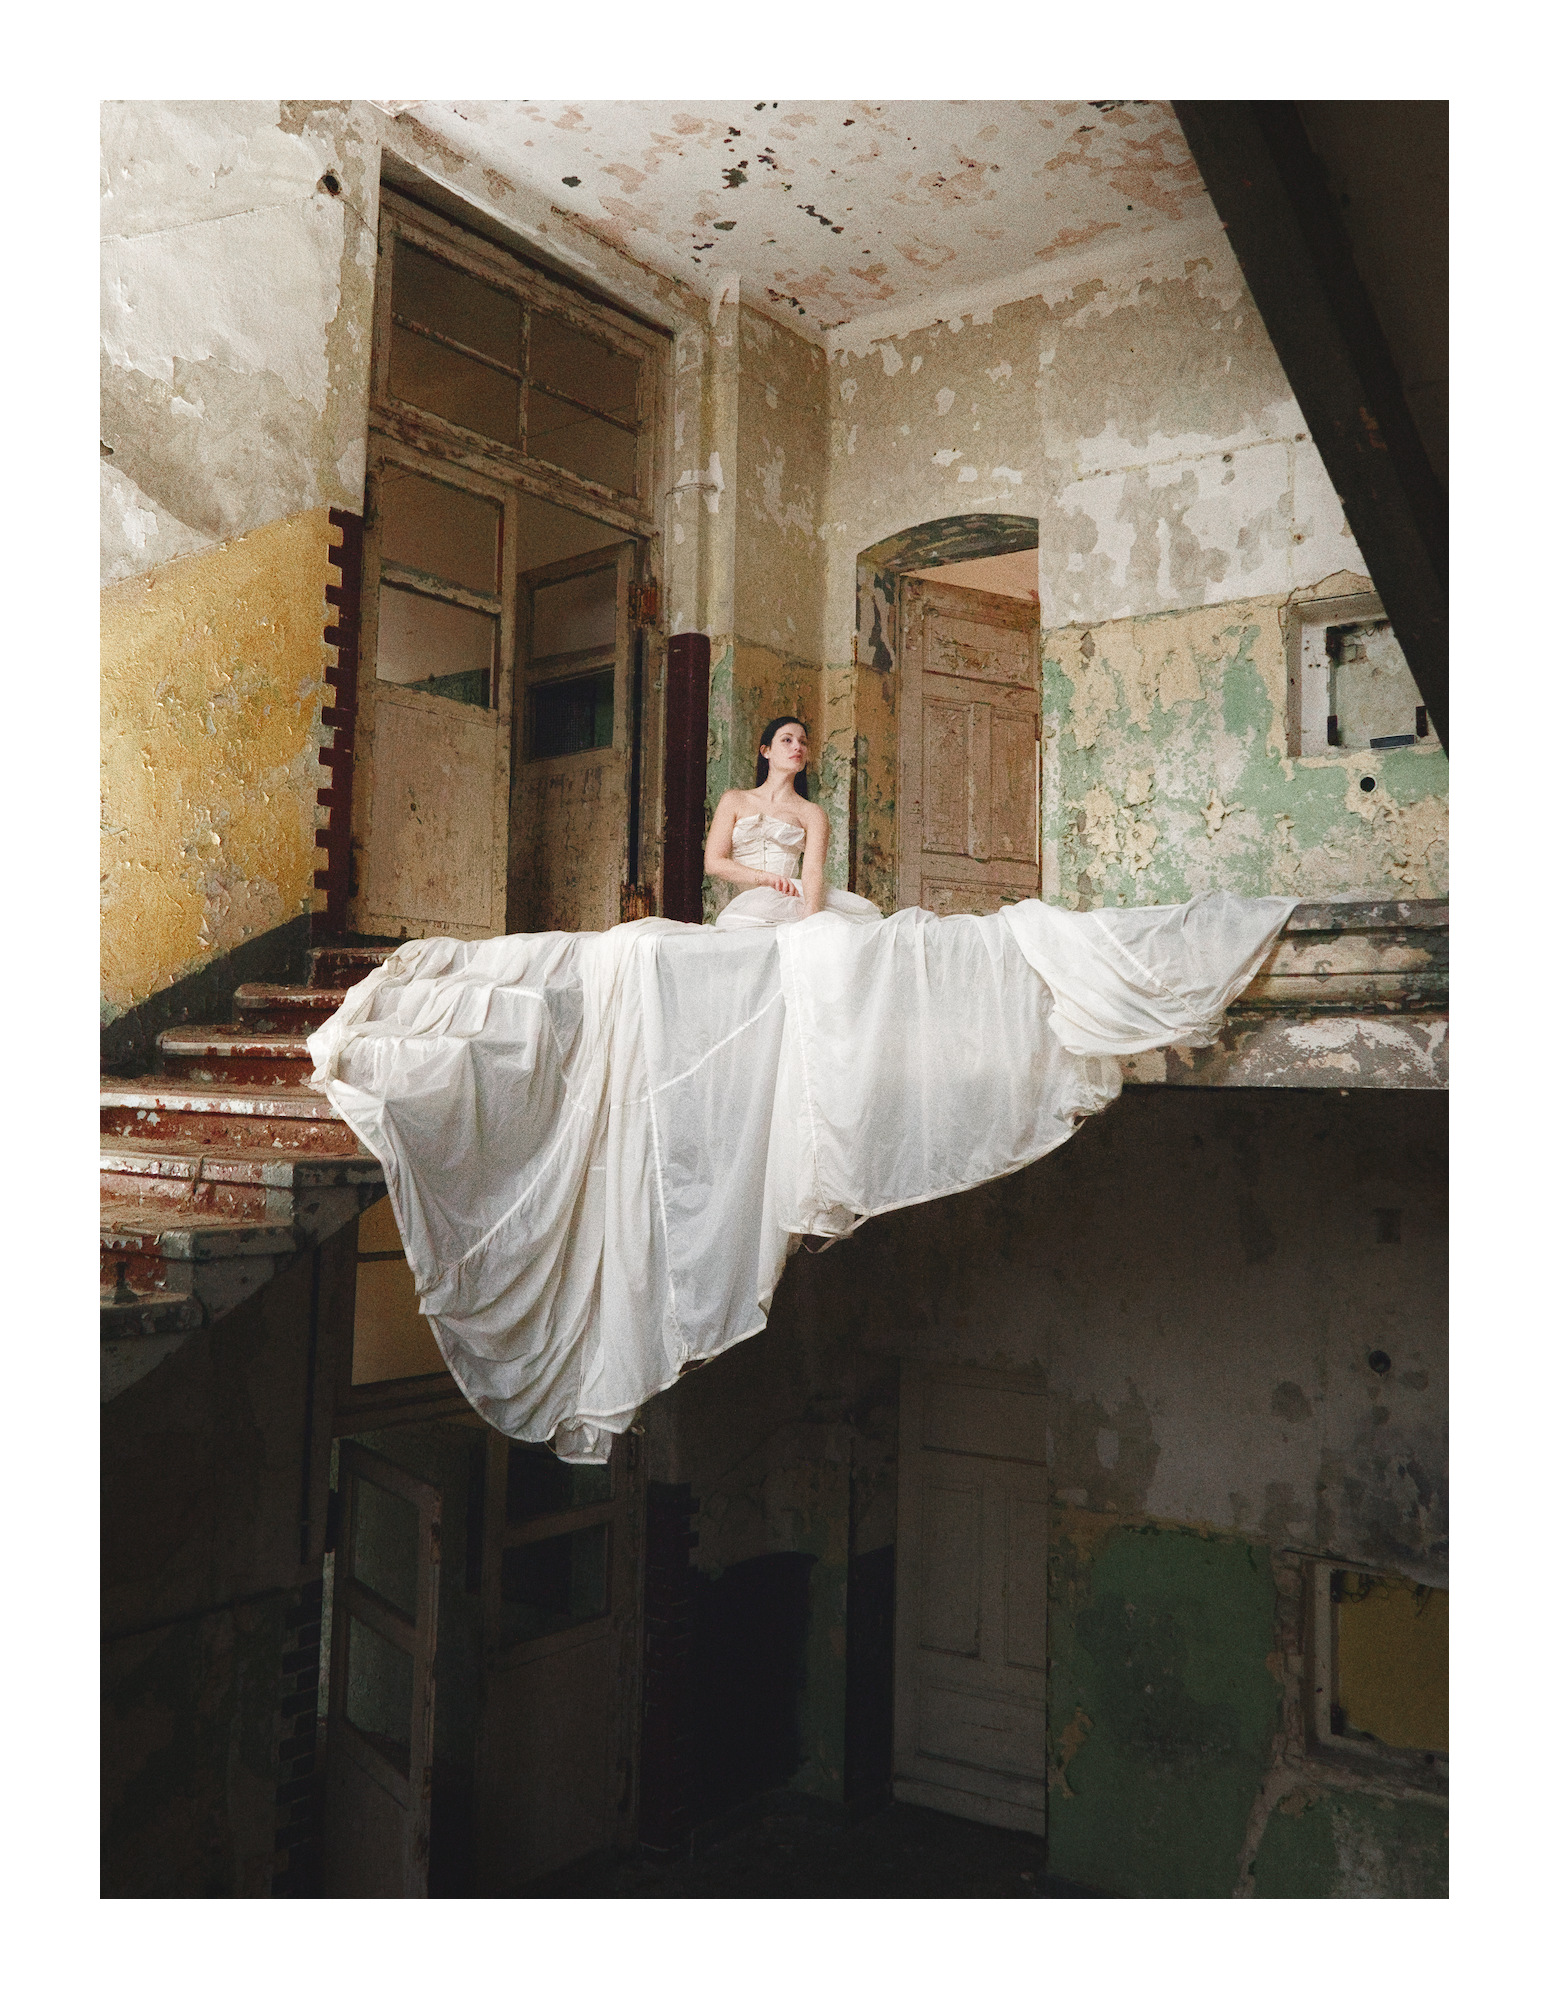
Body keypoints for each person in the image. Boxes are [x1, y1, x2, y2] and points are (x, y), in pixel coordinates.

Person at [704, 715, 883, 929]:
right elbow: (713, 862)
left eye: (803, 742)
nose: (797, 747)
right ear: (766, 751)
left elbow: (812, 871)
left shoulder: (812, 813)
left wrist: (810, 916)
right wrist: (766, 878)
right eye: (787, 740)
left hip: (790, 905)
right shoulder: (734, 800)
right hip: (745, 909)